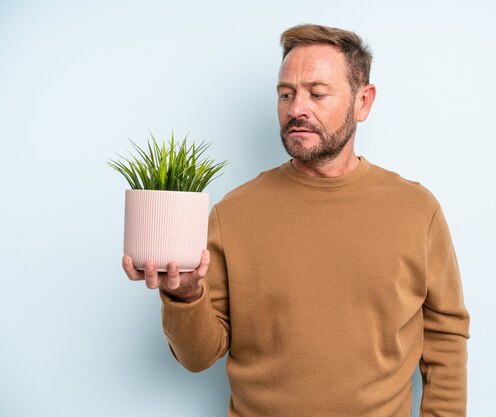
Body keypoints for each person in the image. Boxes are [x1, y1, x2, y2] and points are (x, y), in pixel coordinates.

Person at [123, 23, 470, 417]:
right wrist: (184, 296)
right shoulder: (232, 214)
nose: (296, 109)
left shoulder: (416, 210)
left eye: (317, 94)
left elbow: (446, 336)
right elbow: (198, 357)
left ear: (363, 102)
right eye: (286, 94)